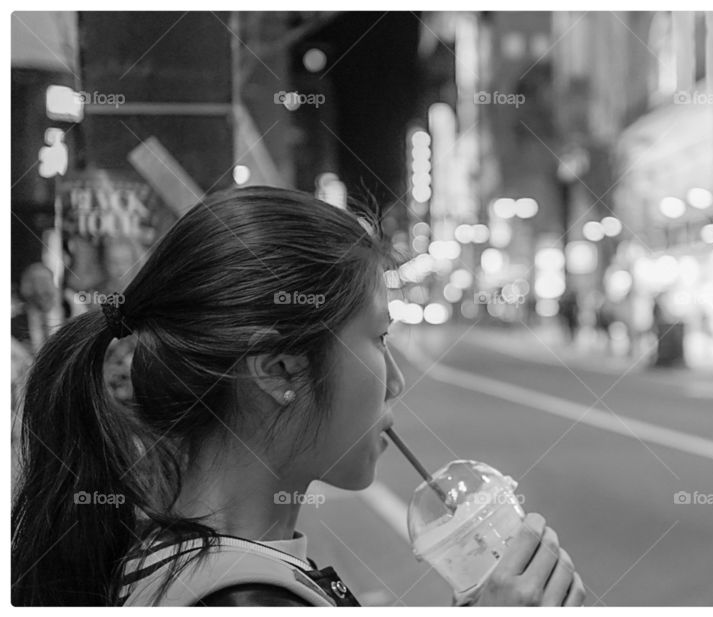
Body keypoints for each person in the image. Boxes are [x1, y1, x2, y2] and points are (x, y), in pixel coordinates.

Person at [12, 187, 585, 607]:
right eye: (379, 337)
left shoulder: (170, 554)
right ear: (281, 369)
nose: (396, 378)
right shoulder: (245, 600)